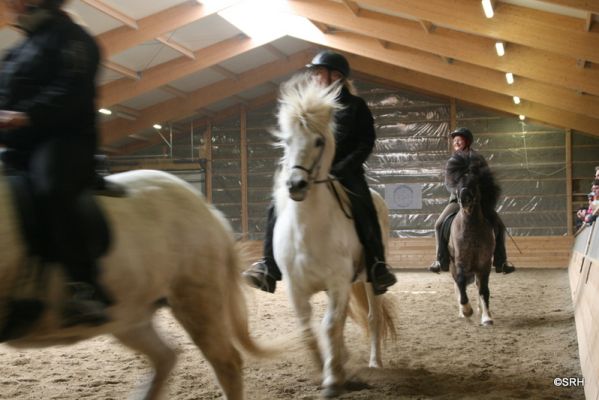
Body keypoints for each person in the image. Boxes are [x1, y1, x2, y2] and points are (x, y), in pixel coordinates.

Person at [242, 50, 397, 295]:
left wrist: (342, 167)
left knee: (365, 205)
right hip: (308, 170)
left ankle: (377, 264)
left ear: (337, 77)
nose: (316, 77)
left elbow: (366, 142)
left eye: (320, 73)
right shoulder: (308, 106)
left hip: (345, 172)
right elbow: (295, 139)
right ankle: (268, 266)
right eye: (315, 73)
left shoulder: (355, 106)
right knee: (275, 205)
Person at [0, 0, 111, 326]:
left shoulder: (75, 39)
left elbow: (72, 93)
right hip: (20, 144)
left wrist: (25, 115)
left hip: (65, 140)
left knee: (52, 189)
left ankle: (84, 287)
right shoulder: (19, 50)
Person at [429, 127, 516, 274]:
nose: (456, 142)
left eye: (459, 140)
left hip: (478, 201)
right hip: (457, 201)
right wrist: (459, 194)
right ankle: (440, 260)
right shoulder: (453, 161)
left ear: (467, 141)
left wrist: (478, 194)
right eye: (454, 140)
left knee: (500, 226)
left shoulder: (478, 159)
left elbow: (487, 179)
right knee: (438, 224)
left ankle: (501, 261)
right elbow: (449, 183)